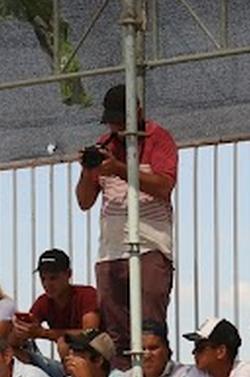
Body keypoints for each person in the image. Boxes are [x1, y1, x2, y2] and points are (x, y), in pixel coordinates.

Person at [75, 83, 178, 362]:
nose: (117, 128)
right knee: (116, 333)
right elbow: (84, 201)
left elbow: (164, 186)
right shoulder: (104, 145)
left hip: (151, 246)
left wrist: (119, 169)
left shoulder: (160, 138)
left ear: (138, 112)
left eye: (121, 121)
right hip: (111, 251)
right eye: (112, 122)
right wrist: (88, 172)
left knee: (150, 329)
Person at [12, 249, 101, 377]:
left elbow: (90, 333)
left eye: (53, 278)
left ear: (68, 274)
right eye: (43, 278)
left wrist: (43, 333)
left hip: (94, 366)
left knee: (64, 343)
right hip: (66, 369)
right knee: (10, 353)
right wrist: (20, 331)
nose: (47, 284)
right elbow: (17, 338)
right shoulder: (43, 302)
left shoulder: (87, 295)